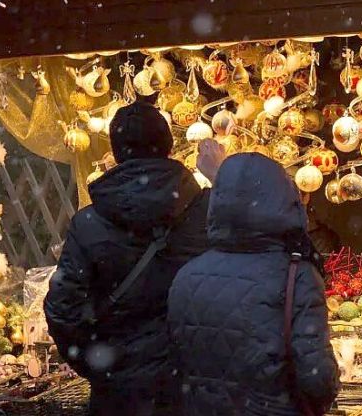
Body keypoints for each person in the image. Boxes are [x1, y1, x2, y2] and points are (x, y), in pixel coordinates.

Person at [44, 101, 225, 416]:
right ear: (169, 146)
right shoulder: (210, 211)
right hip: (198, 383)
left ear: (115, 153)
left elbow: (63, 311)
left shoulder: (90, 223)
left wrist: (103, 365)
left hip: (122, 392)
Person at [167, 153, 340, 415]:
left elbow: (176, 363)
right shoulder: (297, 275)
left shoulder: (186, 275)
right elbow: (316, 377)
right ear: (284, 199)